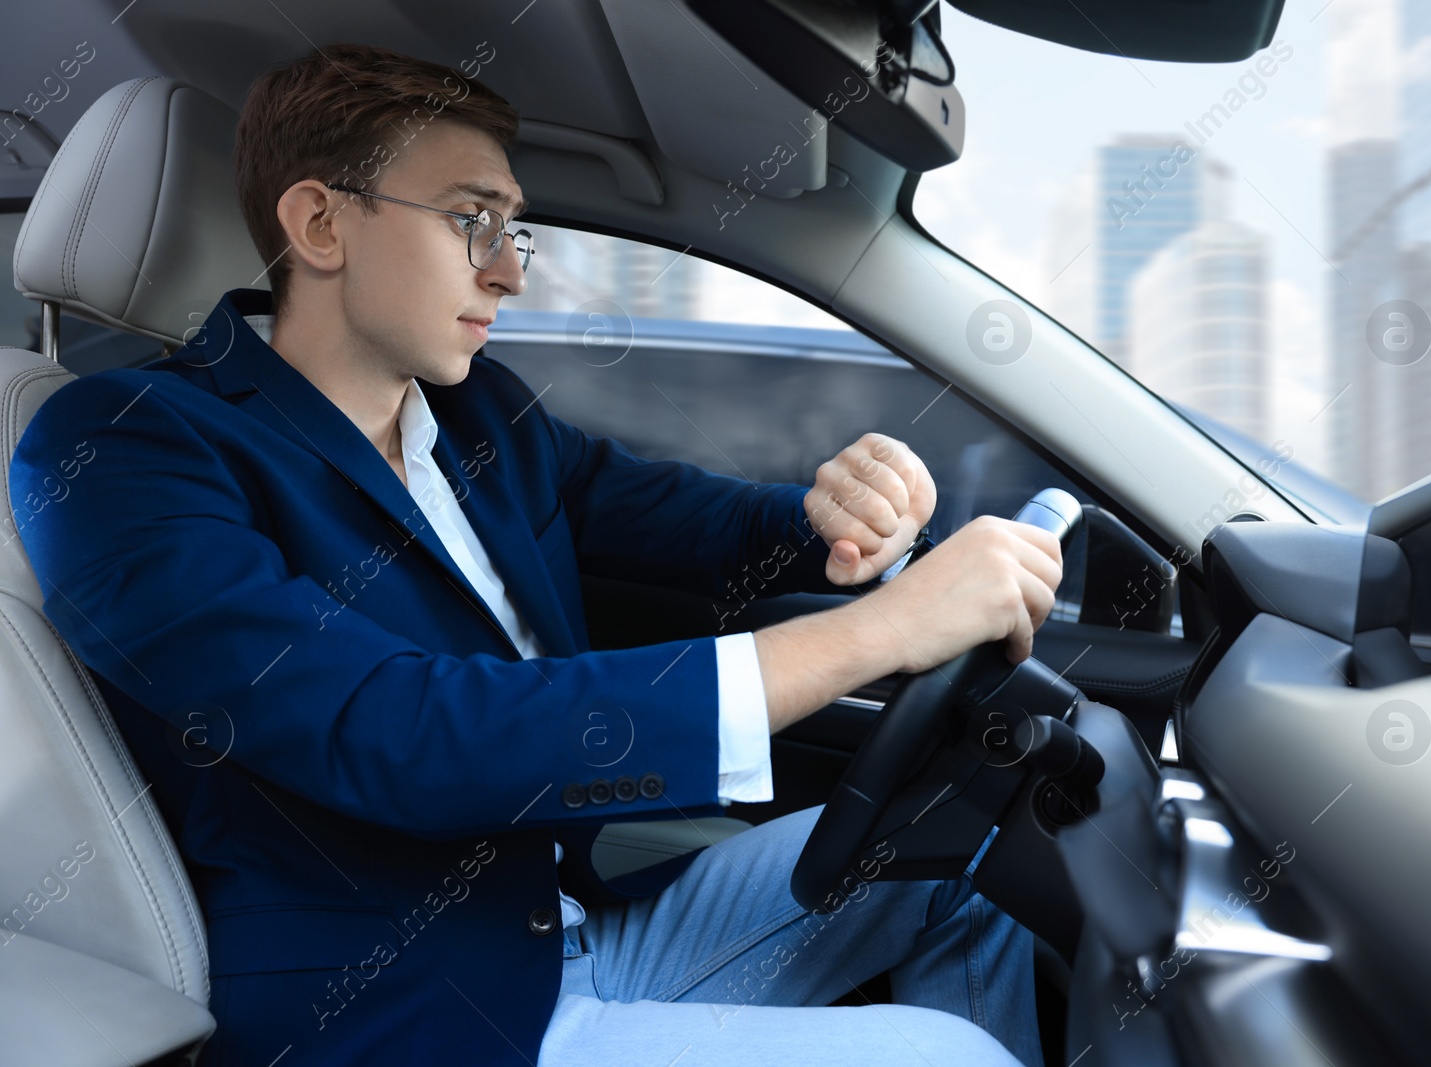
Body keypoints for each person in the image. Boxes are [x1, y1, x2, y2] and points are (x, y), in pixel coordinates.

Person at [11, 43, 1063, 1066]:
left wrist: (839, 511)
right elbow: (396, 730)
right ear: (321, 222)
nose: (510, 270)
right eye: (472, 220)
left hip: (563, 923)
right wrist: (881, 629)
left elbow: (693, 523)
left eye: (516, 230)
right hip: (404, 1005)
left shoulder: (481, 419)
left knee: (955, 848)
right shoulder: (123, 448)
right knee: (944, 1055)